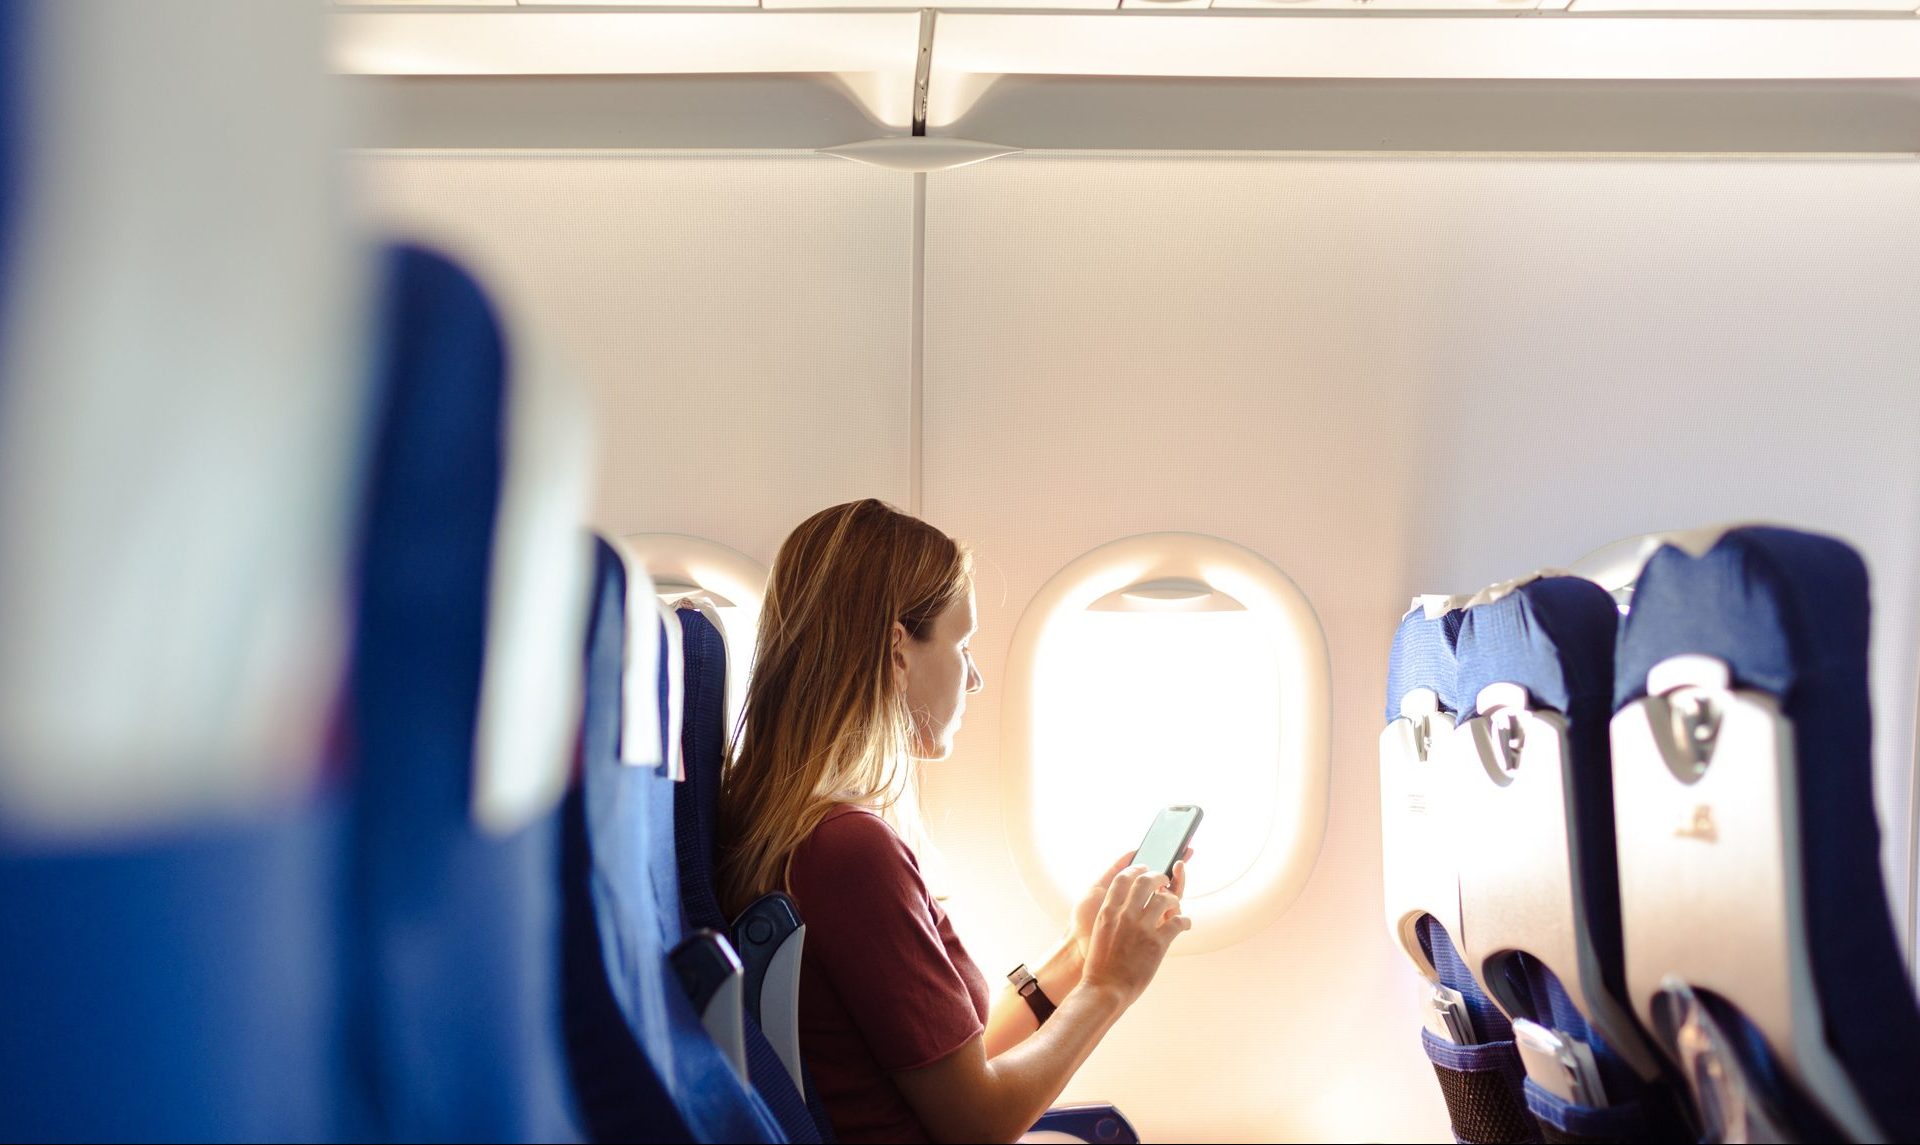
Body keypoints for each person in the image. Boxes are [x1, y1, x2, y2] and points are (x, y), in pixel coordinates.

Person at [718, 499, 1191, 1144]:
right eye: (961, 643)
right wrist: (1110, 987)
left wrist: (1081, 953)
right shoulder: (849, 852)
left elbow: (952, 1072)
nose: (974, 677)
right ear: (897, 650)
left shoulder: (809, 829)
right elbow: (977, 1121)